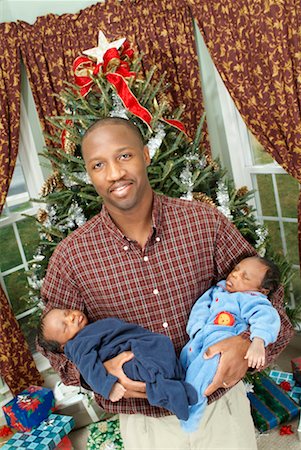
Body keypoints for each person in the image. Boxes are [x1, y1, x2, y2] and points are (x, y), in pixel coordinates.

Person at [39, 117, 294, 450]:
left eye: (124, 156)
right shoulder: (71, 257)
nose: (114, 173)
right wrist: (95, 373)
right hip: (146, 425)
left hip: (221, 411)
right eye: (99, 164)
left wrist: (246, 344)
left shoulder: (205, 223)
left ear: (146, 155)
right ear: (89, 173)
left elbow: (270, 298)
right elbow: (53, 348)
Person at [180, 255, 281, 432]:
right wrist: (196, 330)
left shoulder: (252, 298)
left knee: (200, 376)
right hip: (200, 338)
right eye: (236, 270)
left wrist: (258, 341)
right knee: (185, 360)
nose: (234, 275)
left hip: (222, 342)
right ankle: (176, 389)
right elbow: (200, 307)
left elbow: (266, 318)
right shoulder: (217, 290)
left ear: (262, 290)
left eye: (245, 277)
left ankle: (191, 412)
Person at [37, 308, 197, 419]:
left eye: (67, 313)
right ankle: (174, 395)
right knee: (151, 375)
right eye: (65, 326)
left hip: (139, 345)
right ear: (64, 346)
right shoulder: (76, 346)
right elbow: (89, 369)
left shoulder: (88, 330)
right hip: (128, 362)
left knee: (161, 349)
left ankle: (178, 385)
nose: (71, 317)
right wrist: (108, 387)